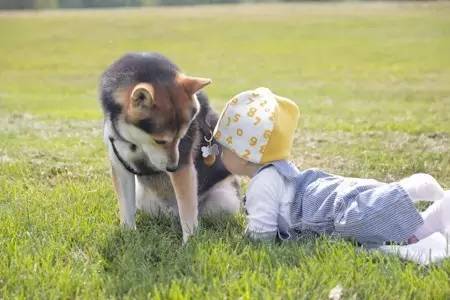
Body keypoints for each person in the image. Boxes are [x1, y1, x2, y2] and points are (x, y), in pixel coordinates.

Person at [209, 87, 449, 246]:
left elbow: (261, 234)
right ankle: (435, 216)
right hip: (335, 193)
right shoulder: (278, 170)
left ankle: (409, 189)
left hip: (328, 210)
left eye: (222, 148)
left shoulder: (262, 184)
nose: (218, 154)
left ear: (242, 155)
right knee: (391, 228)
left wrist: (242, 242)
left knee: (359, 222)